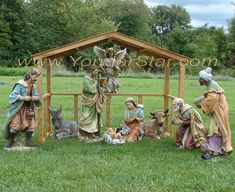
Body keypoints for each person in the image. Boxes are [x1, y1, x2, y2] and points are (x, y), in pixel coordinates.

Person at [197, 67, 233, 159]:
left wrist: (201, 104)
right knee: (212, 127)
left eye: (200, 79)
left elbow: (212, 99)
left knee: (214, 129)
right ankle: (213, 148)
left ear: (204, 79)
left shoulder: (213, 88)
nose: (199, 80)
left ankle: (214, 151)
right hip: (217, 110)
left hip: (218, 111)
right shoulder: (211, 85)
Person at [2, 68, 41, 148]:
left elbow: (37, 95)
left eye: (37, 77)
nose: (36, 79)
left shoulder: (33, 86)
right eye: (35, 76)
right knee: (15, 125)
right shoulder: (20, 84)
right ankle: (10, 140)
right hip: (18, 109)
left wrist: (34, 98)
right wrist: (23, 98)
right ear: (30, 75)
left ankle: (28, 141)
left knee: (31, 125)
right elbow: (12, 95)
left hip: (28, 108)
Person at [77, 67, 104, 140]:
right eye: (95, 72)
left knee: (94, 116)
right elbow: (90, 89)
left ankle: (92, 132)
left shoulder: (94, 78)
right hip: (88, 99)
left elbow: (98, 88)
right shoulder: (86, 79)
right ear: (91, 71)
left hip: (95, 100)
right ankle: (82, 131)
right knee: (86, 115)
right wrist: (95, 84)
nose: (96, 73)